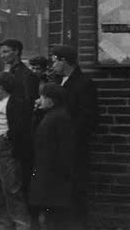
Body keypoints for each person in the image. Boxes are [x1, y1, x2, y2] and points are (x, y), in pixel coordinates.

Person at [49, 45, 98, 229]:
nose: (52, 64)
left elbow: (89, 117)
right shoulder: (61, 81)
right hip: (60, 146)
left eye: (55, 60)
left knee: (76, 189)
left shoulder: (83, 83)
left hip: (74, 147)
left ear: (64, 61)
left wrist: (69, 137)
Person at [0, 71, 32, 230]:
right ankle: (3, 220)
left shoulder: (15, 102)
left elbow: (22, 124)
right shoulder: (0, 103)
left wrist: (9, 135)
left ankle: (21, 222)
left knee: (11, 185)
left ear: (2, 88)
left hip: (6, 145)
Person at [29, 83, 76, 230]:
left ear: (51, 100)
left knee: (54, 219)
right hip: (49, 173)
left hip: (53, 175)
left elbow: (64, 149)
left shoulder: (59, 117)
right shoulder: (52, 115)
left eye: (42, 97)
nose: (39, 100)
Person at [0, 39, 38, 191]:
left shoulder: (27, 76)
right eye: (1, 52)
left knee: (23, 173)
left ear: (17, 52)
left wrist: (17, 130)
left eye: (6, 51)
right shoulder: (9, 73)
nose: (3, 56)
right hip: (10, 129)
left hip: (21, 133)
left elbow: (28, 107)